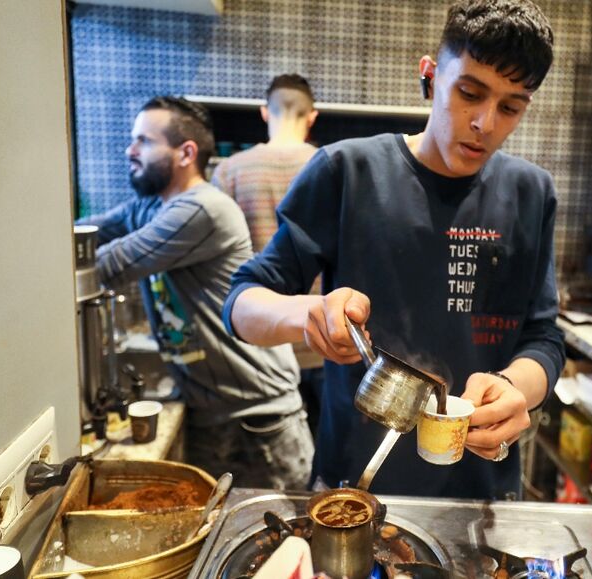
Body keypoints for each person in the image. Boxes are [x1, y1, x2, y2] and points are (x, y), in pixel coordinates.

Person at [224, 0, 564, 500]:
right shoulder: (347, 172)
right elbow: (241, 303)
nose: (485, 124)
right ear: (429, 75)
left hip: (482, 492)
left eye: (510, 107)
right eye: (469, 93)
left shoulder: (531, 192)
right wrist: (309, 313)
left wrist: (517, 388)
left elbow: (544, 338)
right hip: (354, 488)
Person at [79, 96, 313, 489]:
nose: (129, 150)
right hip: (211, 411)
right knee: (216, 534)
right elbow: (86, 237)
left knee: (278, 540)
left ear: (186, 152)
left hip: (258, 419)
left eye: (144, 141)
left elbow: (109, 266)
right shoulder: (151, 207)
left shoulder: (203, 208)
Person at [212, 74, 324, 436]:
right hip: (323, 342)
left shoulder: (230, 170)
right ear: (312, 117)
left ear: (264, 112)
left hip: (260, 342)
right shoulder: (329, 166)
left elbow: (220, 258)